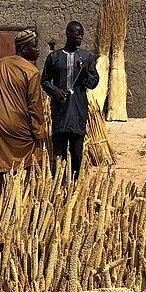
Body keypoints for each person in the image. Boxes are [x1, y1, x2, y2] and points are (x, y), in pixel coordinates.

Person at [0, 29, 46, 190]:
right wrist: (39, 133)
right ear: (23, 49)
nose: (38, 49)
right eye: (35, 46)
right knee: (25, 165)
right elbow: (34, 107)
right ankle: (18, 197)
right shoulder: (31, 72)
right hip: (18, 127)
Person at [42, 21, 99, 181]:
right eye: (77, 34)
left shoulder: (87, 57)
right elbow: (44, 81)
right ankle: (57, 185)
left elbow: (94, 83)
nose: (80, 37)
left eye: (81, 34)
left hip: (78, 110)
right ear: (68, 34)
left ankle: (75, 183)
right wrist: (54, 90)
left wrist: (86, 72)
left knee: (76, 151)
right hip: (60, 111)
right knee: (59, 152)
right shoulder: (54, 57)